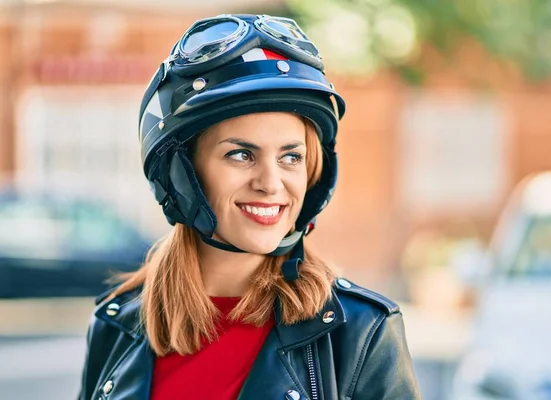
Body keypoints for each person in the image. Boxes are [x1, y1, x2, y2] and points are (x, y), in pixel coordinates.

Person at [78, 14, 421, 400]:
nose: (271, 183)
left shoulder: (361, 334)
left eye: (291, 157)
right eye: (241, 154)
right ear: (181, 175)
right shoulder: (116, 326)